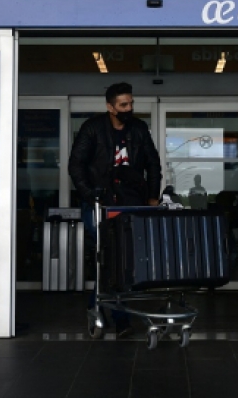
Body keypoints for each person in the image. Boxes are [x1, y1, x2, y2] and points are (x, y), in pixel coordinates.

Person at [68, 82, 162, 337]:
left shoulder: (139, 129)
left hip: (131, 202)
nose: (129, 108)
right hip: (100, 204)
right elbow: (76, 165)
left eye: (131, 103)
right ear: (110, 107)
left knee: (121, 260)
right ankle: (122, 320)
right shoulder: (93, 129)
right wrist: (90, 195)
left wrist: (153, 197)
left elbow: (153, 163)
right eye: (123, 105)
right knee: (110, 258)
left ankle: (95, 306)